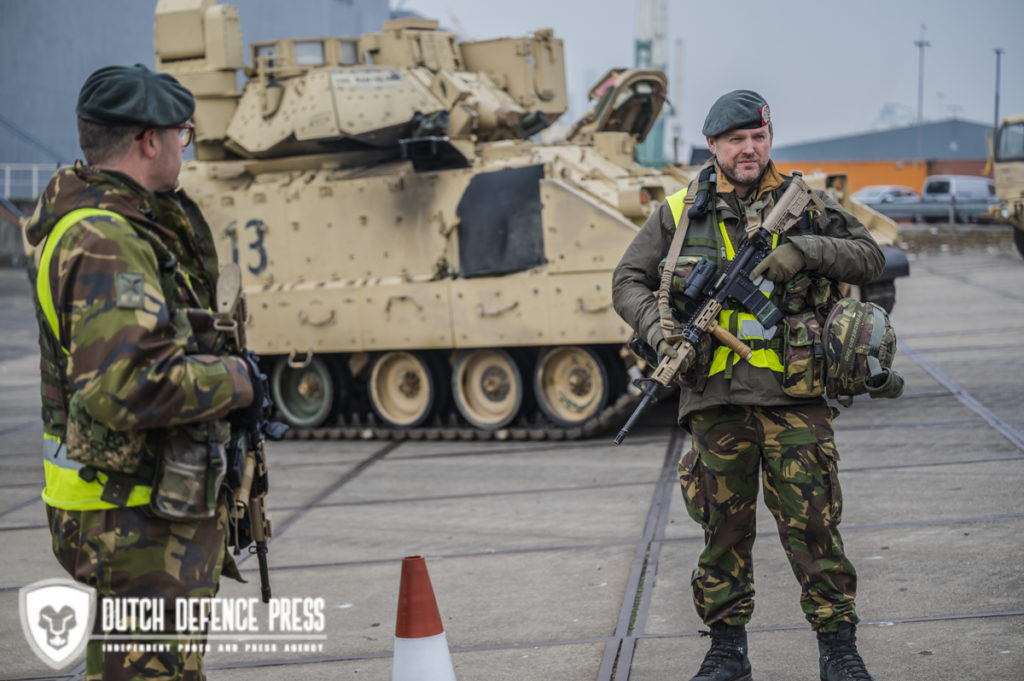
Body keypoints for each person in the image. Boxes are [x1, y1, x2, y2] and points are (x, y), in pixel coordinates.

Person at [612, 90, 884, 681]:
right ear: (713, 146)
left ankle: (839, 649)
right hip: (715, 403)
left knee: (815, 528)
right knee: (723, 532)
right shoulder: (681, 211)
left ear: (768, 139)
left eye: (757, 137)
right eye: (736, 140)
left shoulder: (806, 205)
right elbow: (628, 279)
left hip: (795, 398)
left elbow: (869, 257)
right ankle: (726, 651)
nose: (749, 149)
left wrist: (805, 251)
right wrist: (660, 333)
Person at [24, 64, 260, 680]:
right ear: (148, 141)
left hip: (134, 509)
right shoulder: (105, 239)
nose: (185, 150)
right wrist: (238, 381)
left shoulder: (115, 223)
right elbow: (127, 385)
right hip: (131, 516)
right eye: (182, 135)